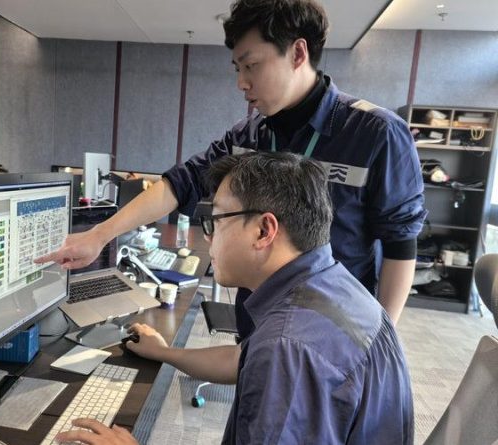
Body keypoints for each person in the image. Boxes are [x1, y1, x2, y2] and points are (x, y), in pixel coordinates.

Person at [35, 0, 425, 327]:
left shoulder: (376, 133)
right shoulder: (249, 136)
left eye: (251, 65)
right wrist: (100, 235)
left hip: (334, 336)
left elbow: (400, 245)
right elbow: (182, 183)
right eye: (237, 69)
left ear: (298, 54)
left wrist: (379, 340)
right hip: (260, 326)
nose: (241, 82)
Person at [54, 152, 414, 444]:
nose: (208, 237)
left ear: (264, 230)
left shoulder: (287, 345)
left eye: (216, 220)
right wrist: (164, 353)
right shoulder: (333, 287)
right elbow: (243, 359)